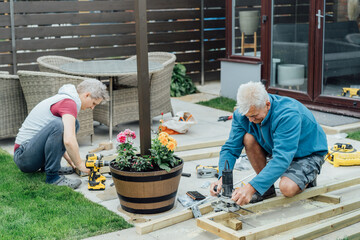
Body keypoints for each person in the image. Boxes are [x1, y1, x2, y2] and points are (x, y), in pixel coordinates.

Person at [210, 81, 328, 206]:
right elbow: (230, 148)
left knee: (287, 188)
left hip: (306, 153)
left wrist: (251, 187)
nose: (250, 120)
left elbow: (281, 159)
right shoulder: (243, 115)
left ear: (267, 105)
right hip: (277, 147)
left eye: (254, 116)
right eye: (247, 116)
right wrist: (223, 178)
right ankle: (266, 189)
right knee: (248, 138)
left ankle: (307, 179)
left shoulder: (287, 115)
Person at [14, 79, 109, 189]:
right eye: (93, 103)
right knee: (58, 125)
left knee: (74, 124)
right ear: (87, 95)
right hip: (24, 157)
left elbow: (56, 139)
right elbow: (68, 140)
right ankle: (53, 178)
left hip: (31, 153)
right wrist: (79, 164)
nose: (92, 108)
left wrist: (71, 161)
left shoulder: (67, 99)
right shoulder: (69, 103)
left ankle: (51, 167)